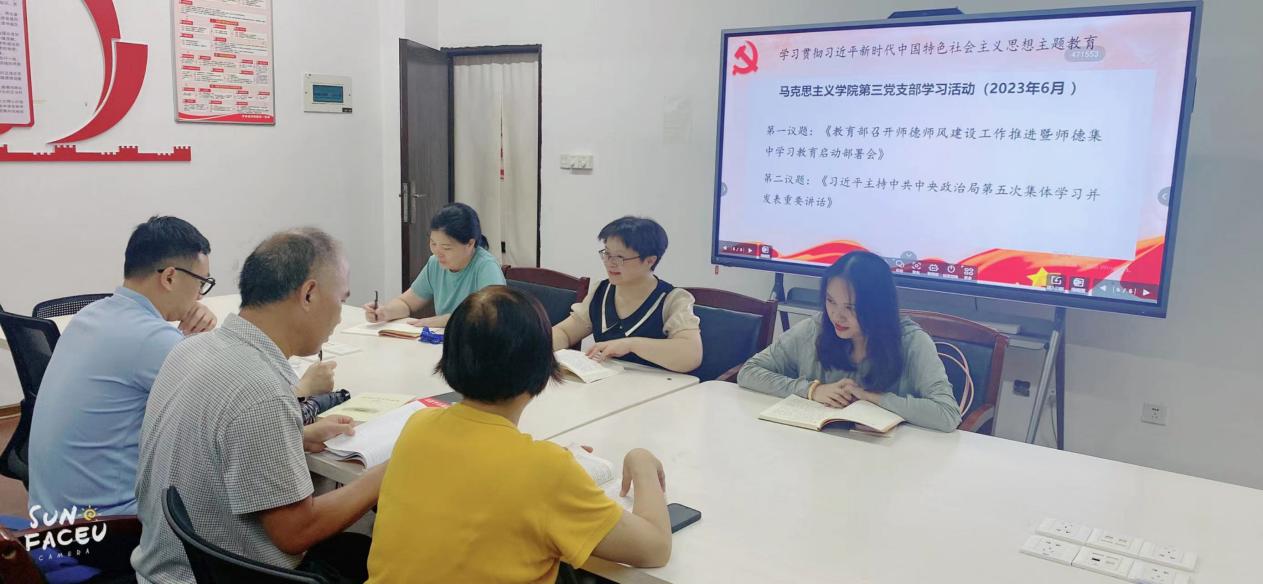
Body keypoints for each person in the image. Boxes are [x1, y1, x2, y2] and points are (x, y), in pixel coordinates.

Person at [367, 287, 672, 583]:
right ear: (542, 368)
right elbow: (654, 548)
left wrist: (547, 464)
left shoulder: (418, 425)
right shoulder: (545, 471)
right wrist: (641, 463)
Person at [132, 228, 384, 584]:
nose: (340, 316)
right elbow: (296, 532)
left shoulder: (190, 349)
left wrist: (293, 436)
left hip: (164, 570)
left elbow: (211, 442)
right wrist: (388, 470)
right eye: (341, 300)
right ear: (309, 294)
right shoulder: (262, 390)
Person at [27, 216, 219, 519]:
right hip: (106, 526)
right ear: (170, 277)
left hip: (49, 516)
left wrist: (187, 338)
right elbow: (226, 410)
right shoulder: (154, 340)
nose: (199, 296)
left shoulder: (90, 315)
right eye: (201, 283)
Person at [738, 251, 962, 432]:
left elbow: (947, 414)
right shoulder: (816, 328)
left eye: (851, 307)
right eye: (830, 301)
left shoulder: (912, 342)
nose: (837, 316)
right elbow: (749, 372)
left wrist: (873, 398)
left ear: (877, 308)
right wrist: (813, 390)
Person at [551, 216, 702, 373]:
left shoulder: (672, 299)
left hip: (657, 385)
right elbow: (565, 332)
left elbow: (691, 355)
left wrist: (631, 345)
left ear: (650, 261)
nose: (610, 263)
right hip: (607, 382)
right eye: (607, 253)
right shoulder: (601, 291)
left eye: (620, 257)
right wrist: (540, 348)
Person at [362, 202, 504, 327]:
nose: (437, 252)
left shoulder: (486, 267)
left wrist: (444, 321)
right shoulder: (435, 263)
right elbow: (407, 303)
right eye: (433, 243)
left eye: (446, 247)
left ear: (470, 244)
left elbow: (492, 316)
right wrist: (384, 312)